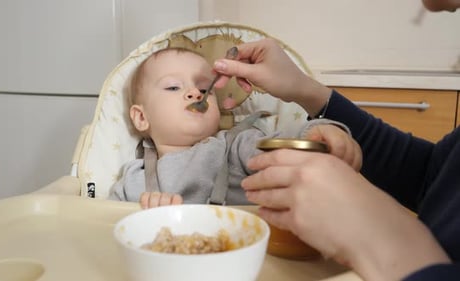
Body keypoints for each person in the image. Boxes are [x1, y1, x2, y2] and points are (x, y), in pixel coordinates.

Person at [210, 1, 460, 280]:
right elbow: (434, 177)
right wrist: (306, 89)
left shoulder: (239, 140)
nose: (194, 95)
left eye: (201, 89)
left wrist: (383, 238)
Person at [108, 47, 362, 209]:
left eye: (203, 87)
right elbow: (102, 229)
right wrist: (140, 218)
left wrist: (316, 135)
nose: (195, 92)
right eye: (174, 87)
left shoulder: (235, 146)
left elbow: (281, 148)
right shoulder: (132, 179)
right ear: (141, 117)